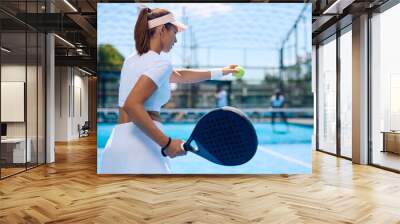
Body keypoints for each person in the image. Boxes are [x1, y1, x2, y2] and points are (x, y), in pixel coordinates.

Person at [101, 7, 239, 174]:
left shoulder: (131, 60)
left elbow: (180, 75)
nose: (176, 39)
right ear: (161, 29)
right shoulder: (160, 63)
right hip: (141, 147)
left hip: (116, 145)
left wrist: (222, 71)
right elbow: (132, 104)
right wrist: (166, 143)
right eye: (174, 32)